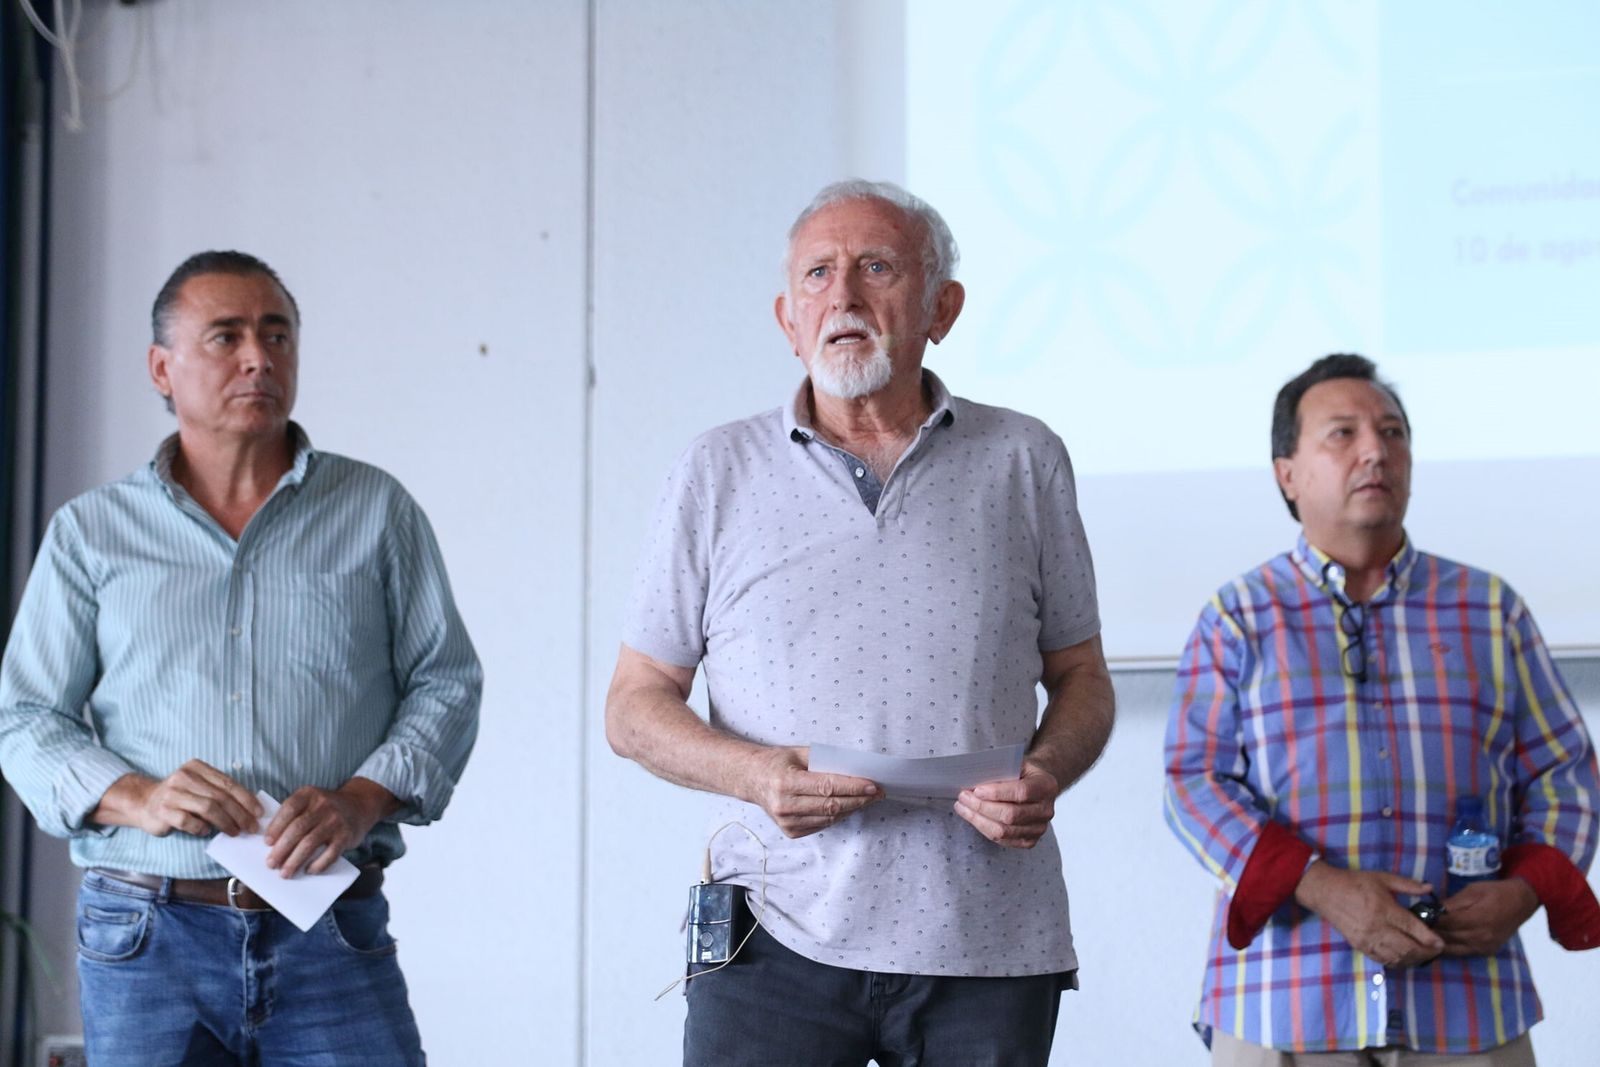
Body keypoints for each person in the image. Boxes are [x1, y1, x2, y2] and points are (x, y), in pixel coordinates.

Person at [606, 179, 1114, 1065]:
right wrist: (753, 773)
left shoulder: (1024, 459)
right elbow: (634, 703)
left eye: (876, 267)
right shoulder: (714, 471)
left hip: (986, 939)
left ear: (940, 307)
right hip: (771, 936)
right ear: (787, 319)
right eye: (817, 275)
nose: (841, 296)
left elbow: (1083, 677)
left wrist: (1048, 771)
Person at [0, 251, 482, 1065]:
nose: (259, 356)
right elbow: (26, 718)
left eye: (278, 334)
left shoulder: (376, 511)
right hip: (146, 935)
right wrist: (138, 797)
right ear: (162, 367)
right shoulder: (91, 533)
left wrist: (360, 801)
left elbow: (446, 682)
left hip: (329, 928)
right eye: (225, 336)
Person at [1163, 354, 1600, 1066]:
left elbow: (1566, 774)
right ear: (1288, 473)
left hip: (1468, 1001)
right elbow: (1193, 783)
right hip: (1284, 1000)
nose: (1376, 450)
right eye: (1343, 433)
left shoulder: (1489, 609)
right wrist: (1321, 885)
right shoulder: (1239, 615)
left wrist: (1523, 891)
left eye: (1393, 432)